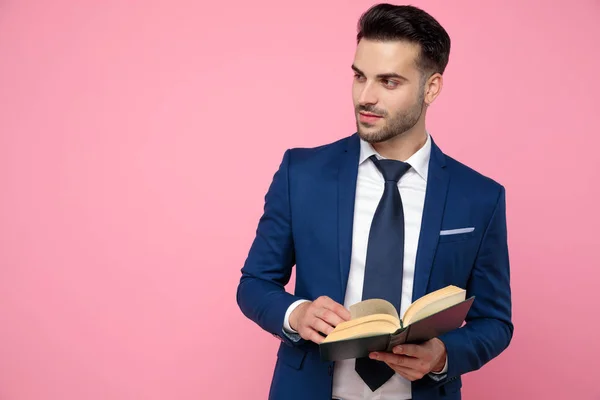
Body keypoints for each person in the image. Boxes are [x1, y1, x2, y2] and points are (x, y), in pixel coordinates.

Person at [236, 3, 513, 399]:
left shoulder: (480, 196)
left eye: (389, 82)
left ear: (431, 87)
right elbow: (255, 282)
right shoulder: (302, 173)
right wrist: (296, 314)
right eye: (359, 76)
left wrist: (442, 355)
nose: (365, 96)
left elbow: (495, 322)